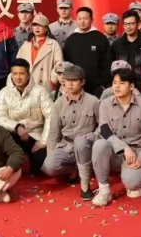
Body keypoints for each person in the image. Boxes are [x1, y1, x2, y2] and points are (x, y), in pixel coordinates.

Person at [91, 61, 141, 206]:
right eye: (114, 82)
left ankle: (132, 179)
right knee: (99, 144)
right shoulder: (105, 104)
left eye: (122, 83)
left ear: (131, 86)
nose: (116, 86)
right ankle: (104, 190)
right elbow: (104, 130)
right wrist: (123, 147)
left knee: (132, 183)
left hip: (136, 153)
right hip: (115, 151)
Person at [42, 64, 100, 200]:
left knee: (81, 142)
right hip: (66, 146)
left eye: (74, 80)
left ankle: (85, 186)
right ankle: (73, 170)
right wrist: (50, 152)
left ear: (82, 82)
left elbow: (102, 125)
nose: (70, 84)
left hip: (86, 146)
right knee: (48, 167)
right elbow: (54, 131)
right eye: (67, 80)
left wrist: (93, 136)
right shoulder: (58, 103)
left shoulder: (93, 101)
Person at [0, 58, 53, 174]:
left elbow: (51, 115)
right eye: (15, 73)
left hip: (35, 135)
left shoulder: (40, 91)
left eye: (21, 73)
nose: (18, 77)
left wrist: (43, 141)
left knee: (41, 167)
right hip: (13, 135)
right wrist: (17, 126)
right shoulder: (4, 93)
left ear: (28, 75)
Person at [62, 7, 113, 97]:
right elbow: (66, 62)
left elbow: (107, 62)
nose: (82, 22)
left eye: (85, 19)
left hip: (96, 88)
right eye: (79, 19)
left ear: (92, 20)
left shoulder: (100, 38)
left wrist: (103, 85)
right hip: (74, 87)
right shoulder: (71, 39)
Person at [16, 14, 63, 94]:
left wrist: (53, 81)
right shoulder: (26, 43)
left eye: (40, 25)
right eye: (34, 25)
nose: (37, 28)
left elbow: (59, 64)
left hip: (45, 85)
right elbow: (18, 62)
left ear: (46, 28)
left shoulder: (53, 44)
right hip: (27, 84)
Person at [110, 10, 141, 95]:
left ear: (138, 24)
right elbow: (111, 67)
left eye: (131, 24)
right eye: (126, 24)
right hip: (122, 88)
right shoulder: (116, 45)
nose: (128, 27)